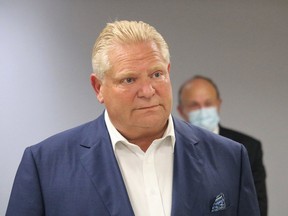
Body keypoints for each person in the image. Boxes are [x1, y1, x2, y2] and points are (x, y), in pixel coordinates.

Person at [6, 20, 260, 216]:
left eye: (157, 74)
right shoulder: (45, 165)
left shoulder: (229, 158)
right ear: (98, 88)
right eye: (129, 79)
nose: (148, 91)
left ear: (169, 72)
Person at [177, 75, 267, 216]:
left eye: (208, 103)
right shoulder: (172, 148)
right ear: (181, 110)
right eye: (194, 105)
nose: (202, 110)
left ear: (218, 104)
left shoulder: (247, 147)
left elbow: (256, 207)